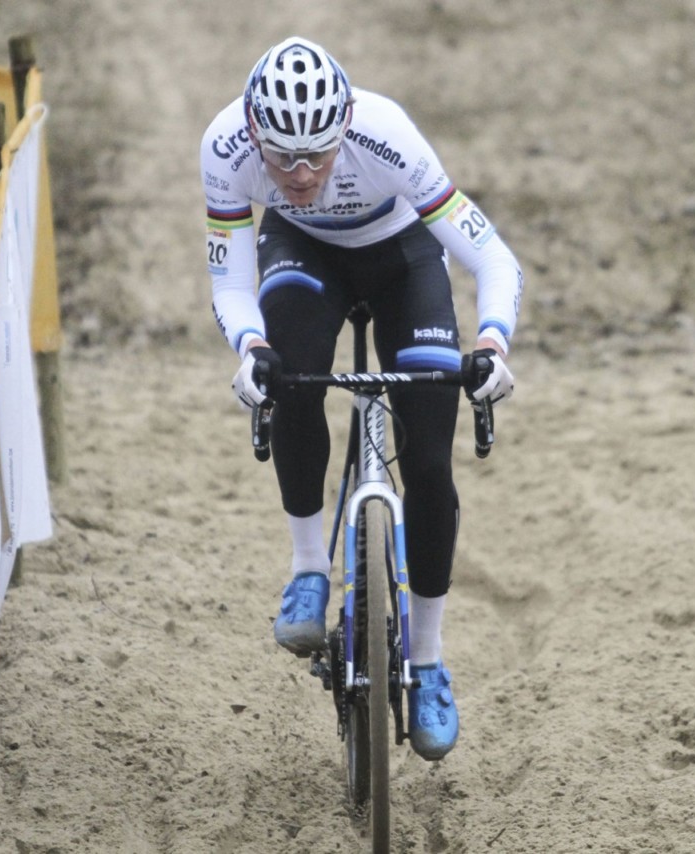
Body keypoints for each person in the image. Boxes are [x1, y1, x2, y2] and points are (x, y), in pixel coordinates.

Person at [200, 36, 524, 761]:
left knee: (431, 463)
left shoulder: (387, 134)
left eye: (318, 153)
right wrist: (250, 349)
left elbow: (492, 255)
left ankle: (430, 658)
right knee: (290, 374)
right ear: (255, 133)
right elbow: (230, 280)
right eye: (283, 158)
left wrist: (495, 342)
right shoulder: (223, 148)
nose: (303, 172)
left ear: (344, 125)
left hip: (403, 259)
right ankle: (310, 570)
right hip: (303, 255)